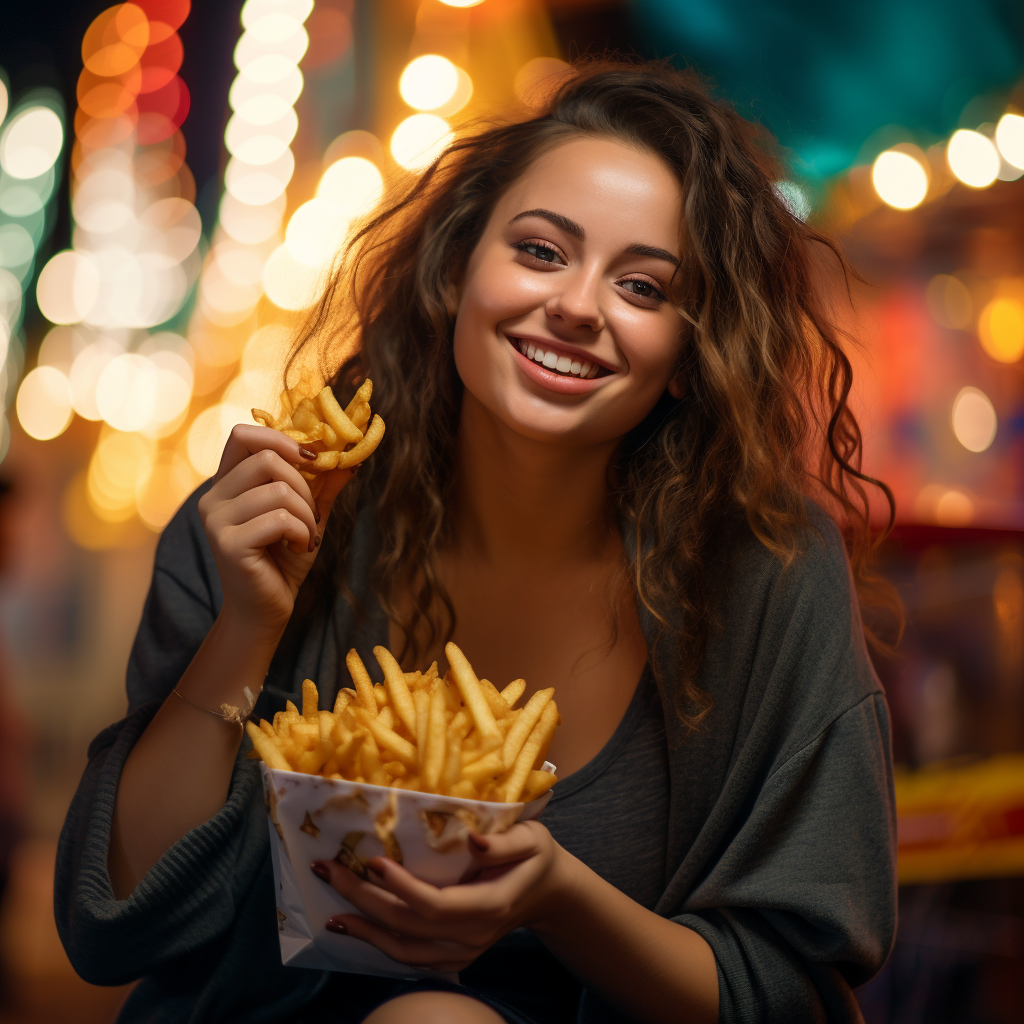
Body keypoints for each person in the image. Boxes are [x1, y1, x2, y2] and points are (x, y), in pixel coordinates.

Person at [55, 59, 898, 1024]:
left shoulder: (767, 571)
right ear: (456, 271)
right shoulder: (274, 509)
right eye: (542, 252)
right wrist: (245, 630)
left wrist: (557, 896)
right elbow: (116, 932)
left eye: (642, 287)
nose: (579, 305)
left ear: (686, 359)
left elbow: (798, 995)